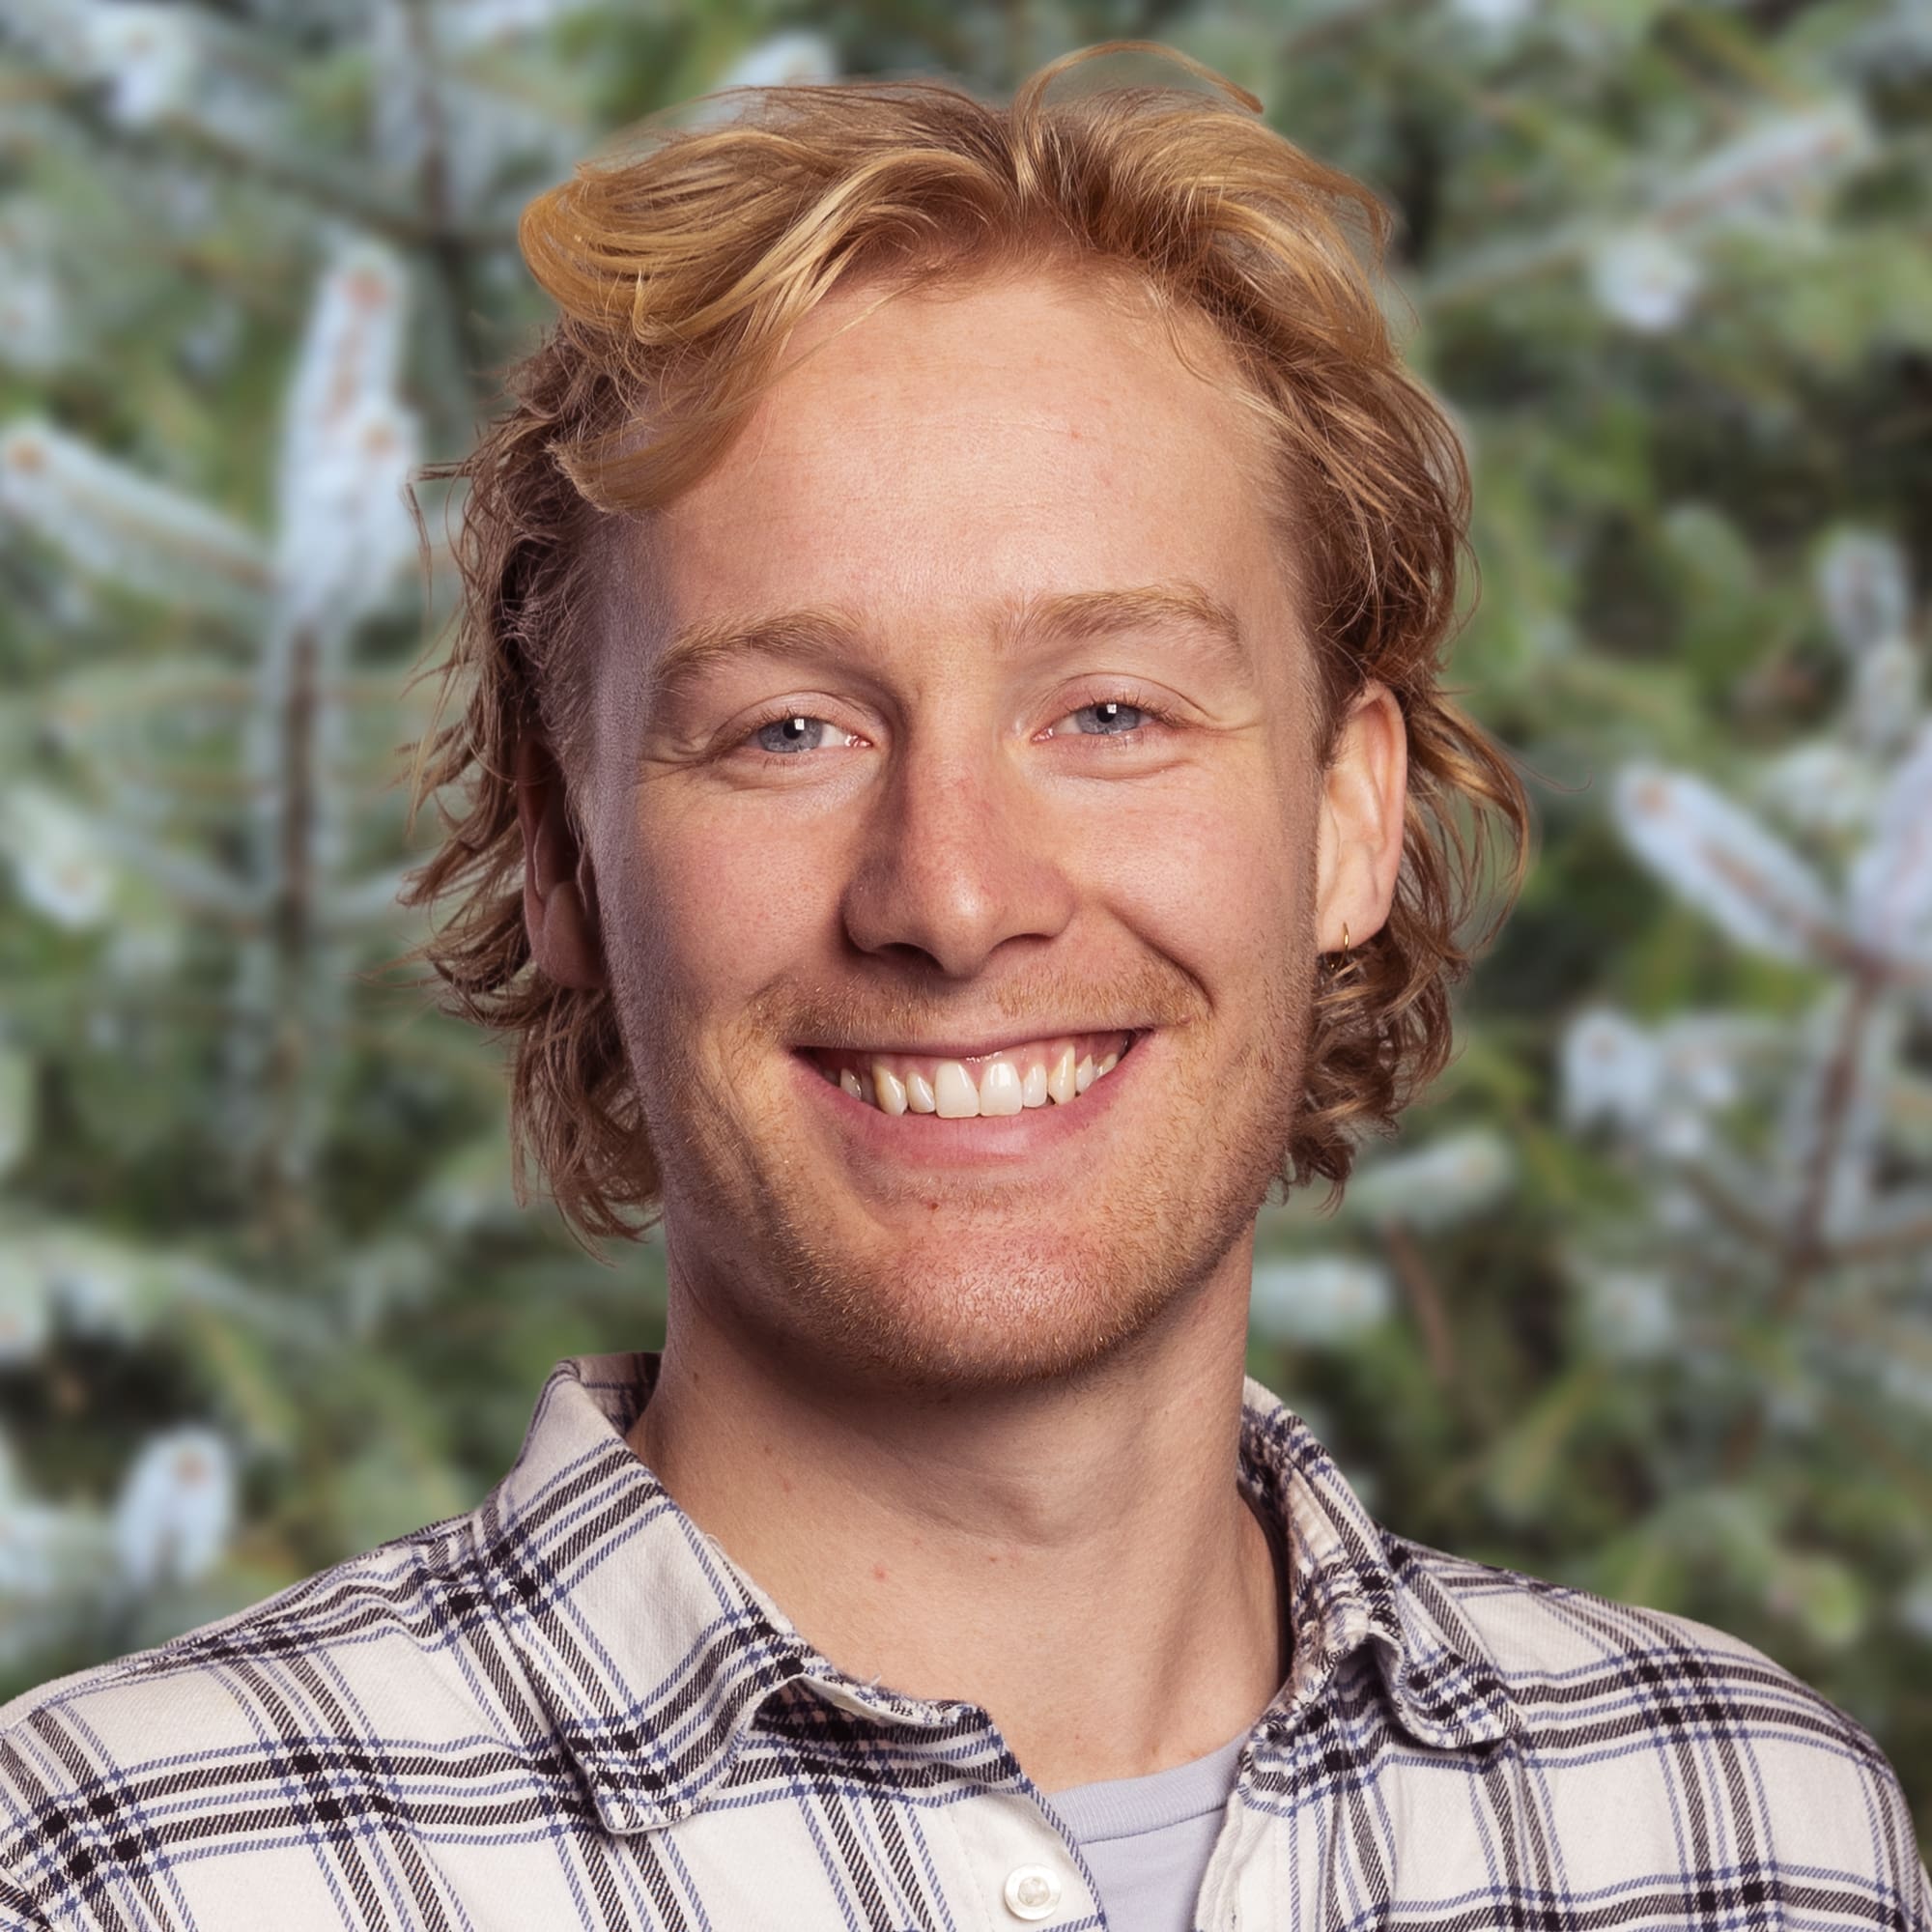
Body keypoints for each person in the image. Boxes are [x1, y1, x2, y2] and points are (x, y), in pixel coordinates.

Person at [1, 38, 1924, 1932]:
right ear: (566, 855)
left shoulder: (1751, 1835)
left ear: (1350, 815)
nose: (953, 895)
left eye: (1111, 710)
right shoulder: (127, 1871)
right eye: (786, 729)